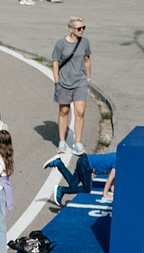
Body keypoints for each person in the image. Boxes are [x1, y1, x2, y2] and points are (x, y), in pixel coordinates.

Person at [52, 16, 91, 155]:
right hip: (64, 82)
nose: (82, 30)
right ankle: (62, 142)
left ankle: (78, 143)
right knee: (64, 111)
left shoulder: (85, 42)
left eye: (83, 27)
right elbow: (55, 62)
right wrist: (56, 81)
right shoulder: (61, 44)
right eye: (79, 28)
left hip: (80, 82)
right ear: (71, 29)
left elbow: (87, 60)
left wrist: (88, 77)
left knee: (80, 112)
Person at [49, 152, 116, 206]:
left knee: (72, 185)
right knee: (87, 189)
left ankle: (58, 163)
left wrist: (112, 188)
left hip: (83, 160)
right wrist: (105, 193)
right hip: (86, 164)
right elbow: (110, 177)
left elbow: (113, 176)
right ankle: (61, 189)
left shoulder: (117, 156)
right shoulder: (118, 161)